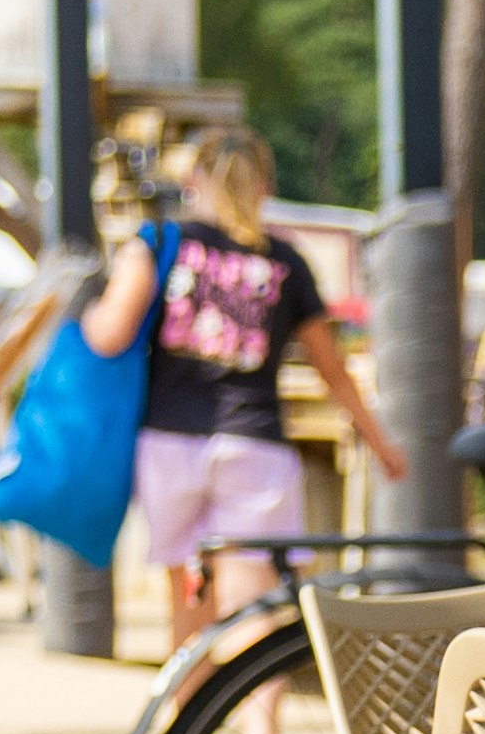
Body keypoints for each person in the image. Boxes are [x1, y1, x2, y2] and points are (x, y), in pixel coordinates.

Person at [82, 123, 400, 647]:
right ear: (265, 187)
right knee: (258, 609)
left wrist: (84, 315)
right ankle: (261, 731)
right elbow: (333, 371)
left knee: (189, 606)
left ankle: (186, 718)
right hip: (254, 445)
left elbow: (108, 336)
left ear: (193, 178)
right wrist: (382, 444)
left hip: (169, 443)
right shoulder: (285, 261)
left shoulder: (161, 242)